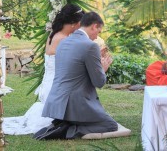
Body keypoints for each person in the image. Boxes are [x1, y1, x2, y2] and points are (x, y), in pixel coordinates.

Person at [0, 4, 84, 135]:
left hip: (49, 84)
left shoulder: (55, 34)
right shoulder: (63, 39)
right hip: (56, 88)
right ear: (74, 23)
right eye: (81, 23)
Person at [37, 12, 117, 140]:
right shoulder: (91, 46)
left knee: (100, 120)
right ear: (94, 26)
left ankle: (61, 123)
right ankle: (67, 130)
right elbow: (99, 82)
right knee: (110, 124)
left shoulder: (64, 41)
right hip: (74, 104)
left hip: (56, 103)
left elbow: (74, 70)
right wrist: (103, 69)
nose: (97, 36)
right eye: (99, 31)